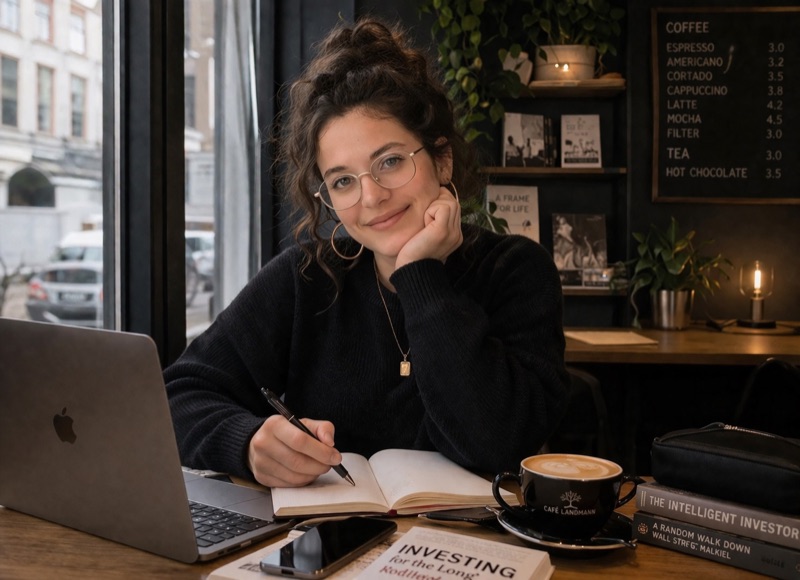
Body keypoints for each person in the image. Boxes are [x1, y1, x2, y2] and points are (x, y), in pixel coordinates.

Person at [164, 18, 568, 489]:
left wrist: (420, 273)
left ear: (442, 159)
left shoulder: (516, 270)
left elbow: (498, 442)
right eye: (342, 181)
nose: (371, 197)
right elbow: (178, 394)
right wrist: (247, 443)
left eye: (390, 162)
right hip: (326, 532)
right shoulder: (307, 276)